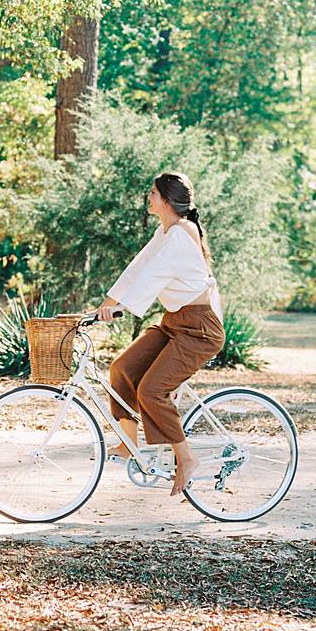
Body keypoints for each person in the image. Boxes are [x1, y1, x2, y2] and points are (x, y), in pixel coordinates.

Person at [93, 171, 225, 495]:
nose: (148, 197)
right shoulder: (166, 231)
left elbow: (152, 277)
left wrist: (121, 307)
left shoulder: (182, 234)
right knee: (122, 369)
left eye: (153, 193)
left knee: (151, 390)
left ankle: (186, 457)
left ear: (166, 201)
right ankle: (129, 445)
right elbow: (139, 267)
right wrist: (103, 306)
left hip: (199, 329)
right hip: (176, 323)